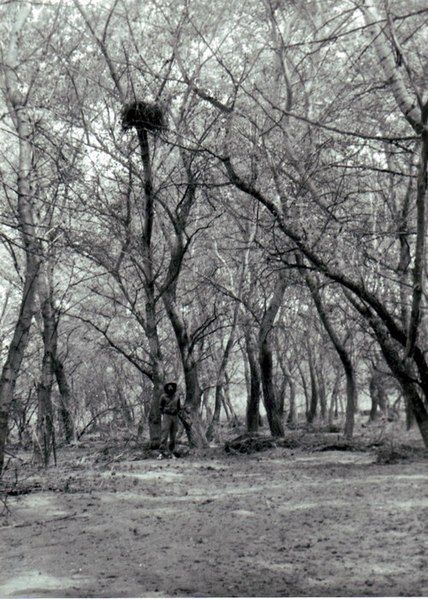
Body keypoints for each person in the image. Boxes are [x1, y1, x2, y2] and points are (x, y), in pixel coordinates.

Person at [159, 381, 181, 456]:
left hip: (175, 416)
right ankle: (162, 452)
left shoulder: (177, 396)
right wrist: (165, 414)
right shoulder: (163, 396)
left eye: (172, 386)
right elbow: (160, 407)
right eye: (169, 386)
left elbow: (179, 407)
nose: (170, 388)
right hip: (166, 416)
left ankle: (171, 451)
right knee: (164, 434)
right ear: (167, 388)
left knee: (173, 435)